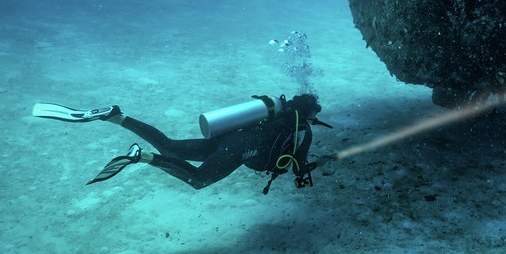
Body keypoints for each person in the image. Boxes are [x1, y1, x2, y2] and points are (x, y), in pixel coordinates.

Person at [33, 94, 332, 194]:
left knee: (171, 145)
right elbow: (298, 169)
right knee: (198, 180)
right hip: (239, 149)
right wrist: (312, 168)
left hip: (229, 138)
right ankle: (142, 158)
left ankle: (117, 117)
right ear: (310, 114)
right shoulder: (301, 131)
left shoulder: (274, 112)